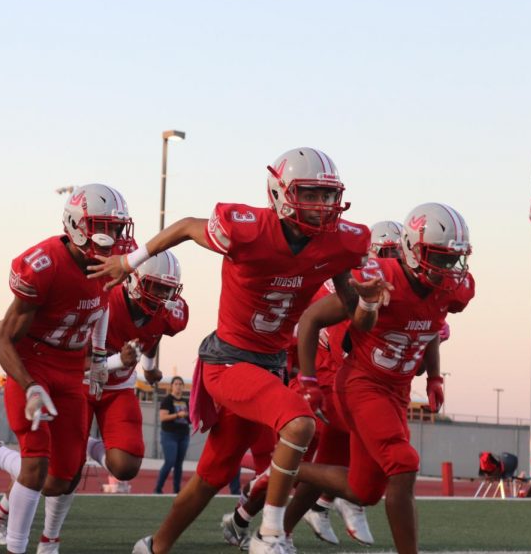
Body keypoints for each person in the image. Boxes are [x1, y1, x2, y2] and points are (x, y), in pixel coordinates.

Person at [89, 147, 387, 554]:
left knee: (212, 474)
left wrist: (368, 302)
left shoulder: (341, 242)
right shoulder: (246, 228)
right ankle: (269, 534)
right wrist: (130, 261)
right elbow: (188, 226)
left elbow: (360, 320)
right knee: (300, 425)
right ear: (281, 194)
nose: (322, 205)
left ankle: (154, 545)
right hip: (229, 361)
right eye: (311, 194)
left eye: (327, 195)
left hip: (268, 369)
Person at [0, 183, 132, 554]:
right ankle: (18, 548)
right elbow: (3, 335)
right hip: (32, 362)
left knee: (62, 479)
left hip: (71, 369)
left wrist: (98, 356)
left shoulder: (110, 261)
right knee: (35, 468)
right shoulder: (44, 263)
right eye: (106, 227)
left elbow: (100, 308)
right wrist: (30, 385)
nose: (113, 238)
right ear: (77, 225)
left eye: (117, 228)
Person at [288, 203, 474, 554]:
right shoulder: (377, 277)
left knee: (364, 490)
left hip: (397, 390)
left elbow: (432, 321)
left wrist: (435, 376)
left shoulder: (448, 288)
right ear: (413, 250)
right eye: (442, 258)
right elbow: (312, 318)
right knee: (403, 463)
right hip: (362, 383)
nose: (450, 269)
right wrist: (308, 380)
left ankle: (292, 470)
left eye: (456, 259)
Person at [0, 253, 186, 553]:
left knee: (125, 465)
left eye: (167, 289)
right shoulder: (100, 296)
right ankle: (48, 539)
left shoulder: (168, 311)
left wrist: (147, 365)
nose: (162, 296)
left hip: (118, 388)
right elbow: (22, 335)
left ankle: (16, 465)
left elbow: (155, 330)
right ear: (133, 280)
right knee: (52, 477)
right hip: (76, 382)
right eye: (156, 287)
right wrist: (115, 360)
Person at [155, 376, 190, 494]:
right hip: (169, 435)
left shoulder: (186, 401)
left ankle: (177, 490)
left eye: (180, 384)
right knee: (170, 461)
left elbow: (190, 418)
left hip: (183, 435)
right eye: (176, 384)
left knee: (179, 464)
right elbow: (163, 417)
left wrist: (191, 418)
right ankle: (158, 489)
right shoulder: (167, 400)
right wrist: (177, 415)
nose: (178, 386)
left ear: (183, 387)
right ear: (172, 386)